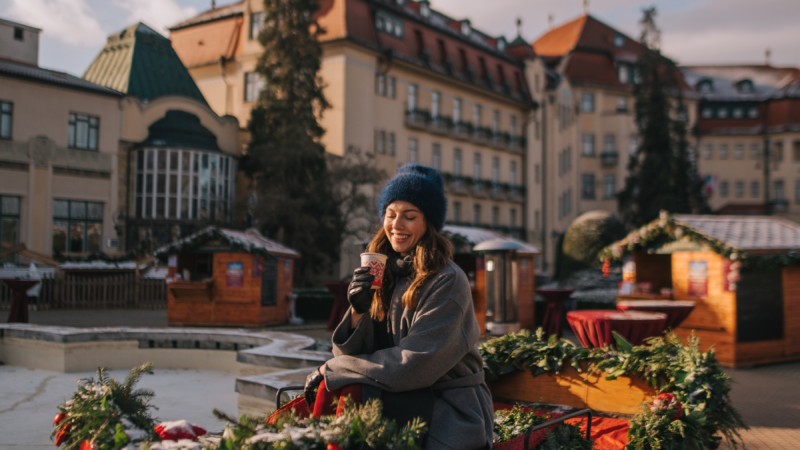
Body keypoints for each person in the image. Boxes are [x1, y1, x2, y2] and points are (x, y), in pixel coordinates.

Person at [304, 164, 493, 450]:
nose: (397, 225)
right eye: (391, 215)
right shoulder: (383, 270)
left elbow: (412, 367)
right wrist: (357, 312)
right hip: (397, 398)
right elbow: (352, 357)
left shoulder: (448, 281)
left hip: (447, 410)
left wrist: (333, 368)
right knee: (346, 396)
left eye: (409, 216)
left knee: (353, 392)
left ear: (427, 222)